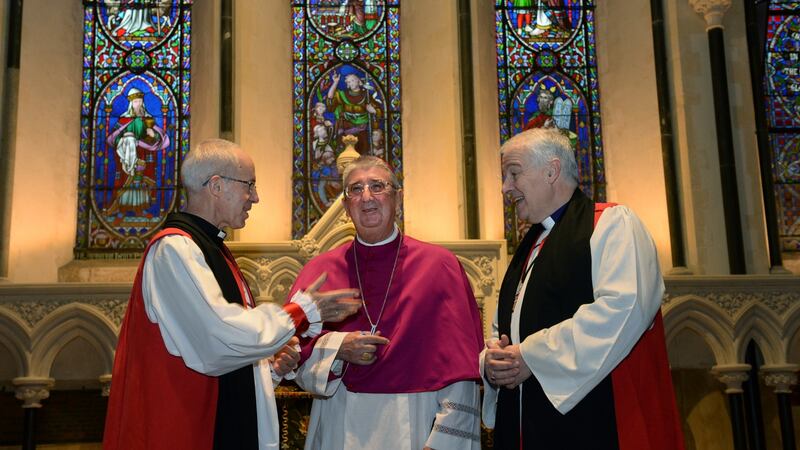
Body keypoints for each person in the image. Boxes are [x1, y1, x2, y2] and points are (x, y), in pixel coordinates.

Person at [103, 138, 361, 450]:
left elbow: (218, 353)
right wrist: (300, 311)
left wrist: (268, 368)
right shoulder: (174, 249)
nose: (255, 197)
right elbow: (216, 339)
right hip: (184, 431)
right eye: (249, 185)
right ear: (216, 186)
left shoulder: (212, 249)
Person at [482, 128, 684, 449]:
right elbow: (503, 327)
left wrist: (531, 357)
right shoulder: (530, 246)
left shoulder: (612, 224)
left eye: (514, 173)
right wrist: (492, 361)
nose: (506, 187)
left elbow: (624, 309)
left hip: (600, 423)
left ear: (552, 171)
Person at [288, 156, 485, 450]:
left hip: (417, 420)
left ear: (398, 197)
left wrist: (445, 441)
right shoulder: (319, 272)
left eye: (377, 186)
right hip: (339, 422)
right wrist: (337, 349)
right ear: (345, 206)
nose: (366, 196)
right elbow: (290, 357)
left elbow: (462, 369)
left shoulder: (439, 267)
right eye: (355, 189)